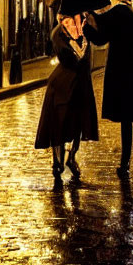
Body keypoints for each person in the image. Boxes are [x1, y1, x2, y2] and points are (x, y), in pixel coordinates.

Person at [83, 0, 133, 178]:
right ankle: (125, 161)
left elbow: (100, 39)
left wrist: (87, 25)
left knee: (119, 113)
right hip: (130, 70)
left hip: (116, 69)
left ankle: (124, 162)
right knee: (127, 120)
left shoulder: (112, 15)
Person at [34, 11, 98, 181]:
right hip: (62, 85)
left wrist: (86, 32)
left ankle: (71, 157)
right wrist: (79, 43)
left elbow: (94, 46)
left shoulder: (83, 30)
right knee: (58, 123)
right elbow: (69, 58)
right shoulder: (59, 34)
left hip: (81, 84)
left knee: (78, 124)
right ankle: (57, 161)